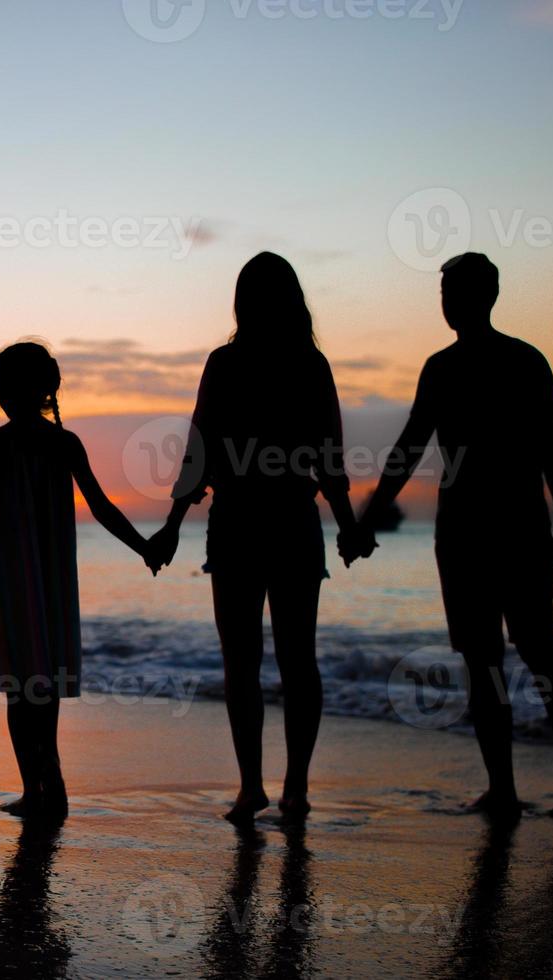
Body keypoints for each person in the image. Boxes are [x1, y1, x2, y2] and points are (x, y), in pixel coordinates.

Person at [354, 252, 553, 821]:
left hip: (509, 527)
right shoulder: (456, 366)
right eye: (443, 294)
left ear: (483, 297)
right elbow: (410, 449)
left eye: (454, 293)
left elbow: (549, 449)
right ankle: (507, 789)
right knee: (490, 659)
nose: (446, 304)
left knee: (536, 653)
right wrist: (367, 520)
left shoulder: (509, 363)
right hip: (472, 531)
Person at [145, 252, 371, 825]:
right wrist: (346, 525)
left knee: (241, 661)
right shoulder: (309, 365)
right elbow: (330, 460)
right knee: (299, 661)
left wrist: (172, 526)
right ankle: (294, 788)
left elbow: (198, 455)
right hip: (293, 523)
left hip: (240, 524)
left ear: (241, 303)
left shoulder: (226, 364)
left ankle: (252, 787)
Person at [0, 341, 154, 820]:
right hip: (51, 584)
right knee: (42, 687)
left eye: (11, 384)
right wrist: (144, 547)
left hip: (22, 584)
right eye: (3, 384)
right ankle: (48, 783)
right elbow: (99, 508)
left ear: (37, 390)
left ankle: (40, 787)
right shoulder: (57, 443)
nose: (6, 393)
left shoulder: (0, 444)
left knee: (24, 691)